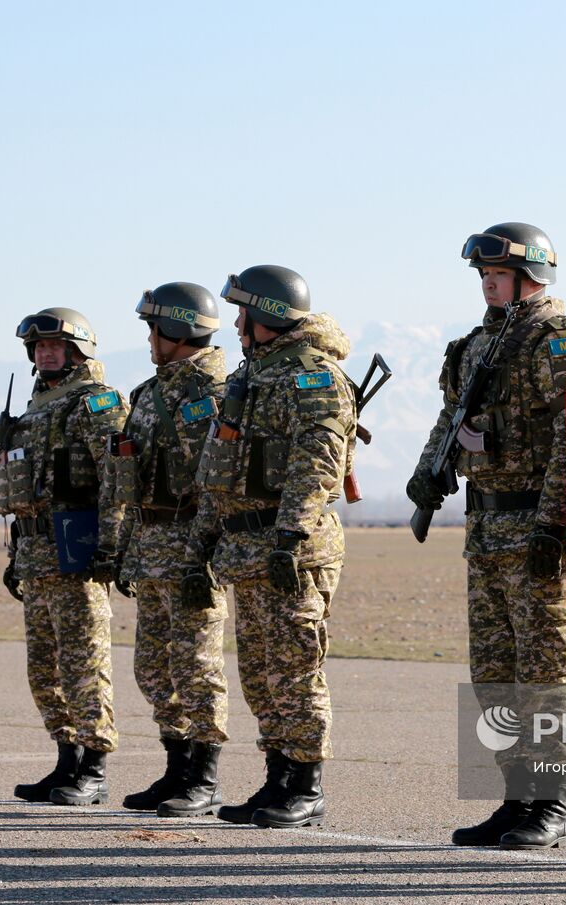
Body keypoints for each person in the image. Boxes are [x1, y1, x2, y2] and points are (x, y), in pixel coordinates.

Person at [407, 222, 566, 850]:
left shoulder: (554, 340)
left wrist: (556, 521)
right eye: (482, 275)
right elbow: (451, 418)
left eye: (497, 274)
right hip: (485, 525)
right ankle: (515, 795)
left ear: (532, 276)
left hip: (536, 524)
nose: (486, 283)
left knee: (545, 671)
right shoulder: (475, 345)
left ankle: (550, 802)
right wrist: (428, 473)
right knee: (495, 673)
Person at [191, 265, 356, 829]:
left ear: (268, 316)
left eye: (244, 312)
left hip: (292, 549)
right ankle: (277, 775)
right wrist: (203, 542)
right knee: (260, 672)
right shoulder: (251, 377)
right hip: (245, 547)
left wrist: (291, 535)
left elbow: (318, 462)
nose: (236, 322)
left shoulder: (313, 377)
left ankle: (306, 784)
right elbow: (221, 469)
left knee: (295, 668)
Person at [0, 307, 126, 806]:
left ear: (78, 352)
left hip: (76, 553)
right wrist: (16, 553)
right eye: (40, 348)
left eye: (56, 347)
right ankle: (65, 759)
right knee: (45, 669)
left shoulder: (97, 403)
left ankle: (93, 768)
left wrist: (110, 547)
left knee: (83, 663)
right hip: (35, 553)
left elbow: (117, 479)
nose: (46, 354)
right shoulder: (36, 408)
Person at [114, 282, 232, 818]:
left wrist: (205, 551)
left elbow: (217, 478)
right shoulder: (146, 393)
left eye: (153, 328)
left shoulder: (220, 391)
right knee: (153, 668)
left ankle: (204, 778)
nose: (148, 338)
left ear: (178, 330)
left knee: (196, 665)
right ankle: (176, 767)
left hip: (191, 546)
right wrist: (123, 547)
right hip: (150, 545)